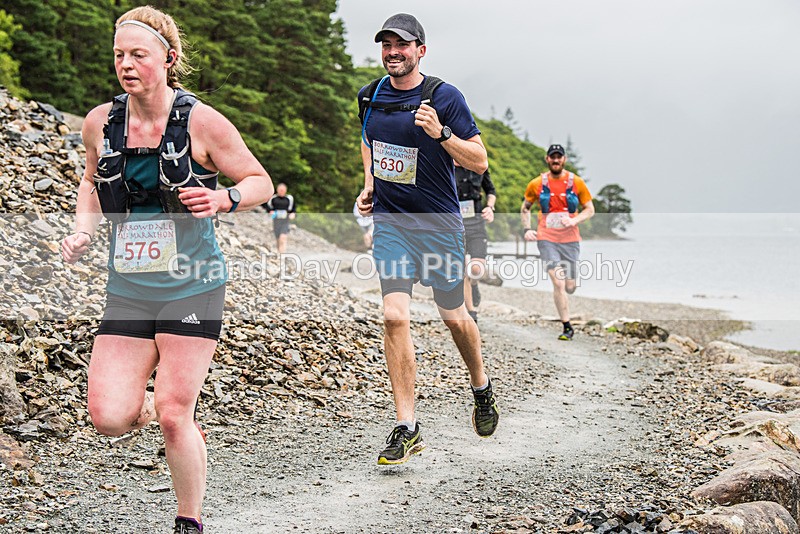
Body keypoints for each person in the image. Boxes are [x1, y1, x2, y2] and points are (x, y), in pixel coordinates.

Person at [60, 6, 274, 533]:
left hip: (193, 287)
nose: (126, 65)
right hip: (129, 289)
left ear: (168, 59)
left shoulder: (201, 122)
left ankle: (189, 520)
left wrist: (224, 199)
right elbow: (91, 182)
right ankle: (166, 403)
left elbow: (259, 181)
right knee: (109, 418)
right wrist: (85, 229)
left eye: (138, 55)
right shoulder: (100, 122)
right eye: (119, 56)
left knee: (175, 414)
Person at [356, 13, 500, 466]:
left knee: (454, 316)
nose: (393, 52)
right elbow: (369, 140)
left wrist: (442, 133)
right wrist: (370, 183)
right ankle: (407, 425)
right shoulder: (370, 96)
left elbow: (478, 161)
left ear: (421, 50)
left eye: (402, 45)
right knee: (393, 316)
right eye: (386, 44)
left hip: (438, 225)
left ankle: (481, 387)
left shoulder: (444, 96)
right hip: (392, 224)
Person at [521, 144, 594, 341]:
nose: (555, 160)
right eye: (552, 157)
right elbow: (525, 207)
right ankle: (567, 326)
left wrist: (574, 220)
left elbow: (590, 209)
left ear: (564, 160)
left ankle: (569, 292)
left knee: (570, 286)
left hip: (570, 239)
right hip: (547, 238)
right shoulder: (536, 183)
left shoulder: (575, 182)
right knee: (558, 283)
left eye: (558, 157)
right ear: (547, 159)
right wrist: (527, 229)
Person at [455, 160, 496, 323]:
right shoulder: (444, 165)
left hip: (477, 223)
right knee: (463, 268)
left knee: (476, 269)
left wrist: (490, 207)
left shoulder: (478, 165)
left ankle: (473, 285)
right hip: (455, 225)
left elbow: (491, 191)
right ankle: (471, 312)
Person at [265, 182, 296, 254]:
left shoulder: (289, 198)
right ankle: (279, 253)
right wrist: (270, 211)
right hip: (276, 220)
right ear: (277, 190)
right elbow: (267, 207)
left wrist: (292, 214)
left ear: (286, 190)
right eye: (280, 190)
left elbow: (293, 209)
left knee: (283, 238)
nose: (282, 191)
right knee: (278, 238)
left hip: (285, 221)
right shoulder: (273, 198)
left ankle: (282, 256)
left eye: (283, 190)